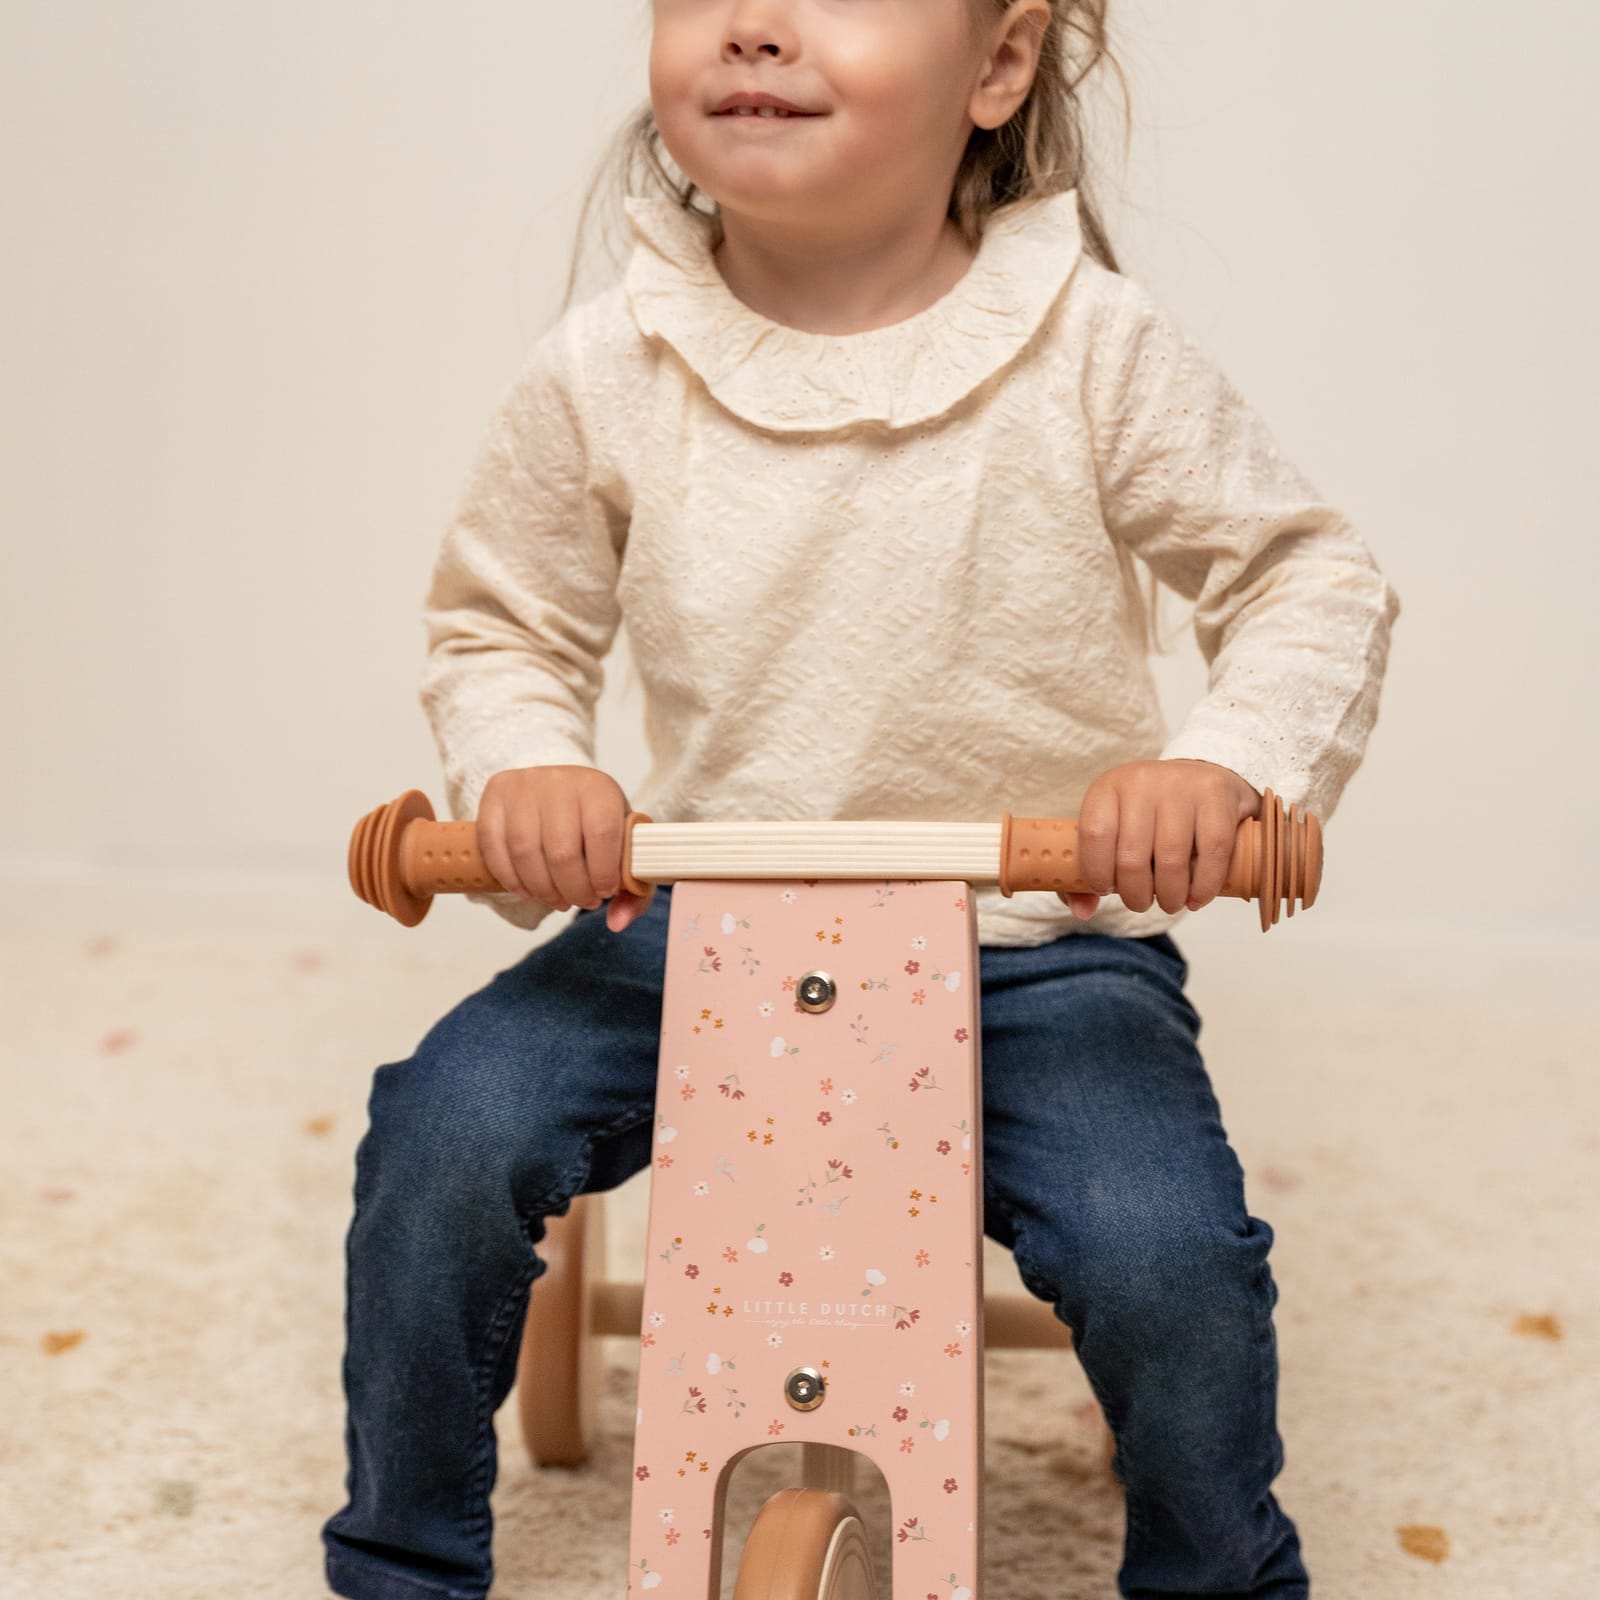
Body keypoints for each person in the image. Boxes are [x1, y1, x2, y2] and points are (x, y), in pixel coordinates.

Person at [322, 1, 1400, 1596]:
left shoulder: (1092, 344)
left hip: (1030, 940)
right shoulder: (610, 362)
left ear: (999, 64)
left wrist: (1221, 768)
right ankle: (402, 1559)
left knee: (1161, 1247)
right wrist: (529, 769)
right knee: (445, 1128)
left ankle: (1215, 1572)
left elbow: (1309, 577)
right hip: (695, 926)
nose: (753, 27)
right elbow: (505, 622)